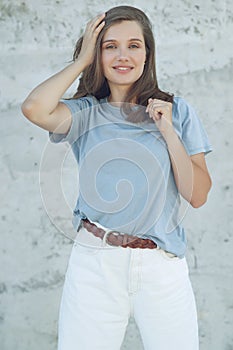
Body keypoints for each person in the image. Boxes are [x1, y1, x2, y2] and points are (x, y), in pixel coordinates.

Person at [21, 5, 212, 350]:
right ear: (98, 54)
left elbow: (197, 195)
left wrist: (167, 131)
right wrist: (81, 61)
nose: (123, 55)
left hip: (161, 268)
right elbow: (34, 108)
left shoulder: (177, 111)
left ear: (147, 53)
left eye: (133, 45)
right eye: (110, 46)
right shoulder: (84, 113)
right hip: (95, 263)